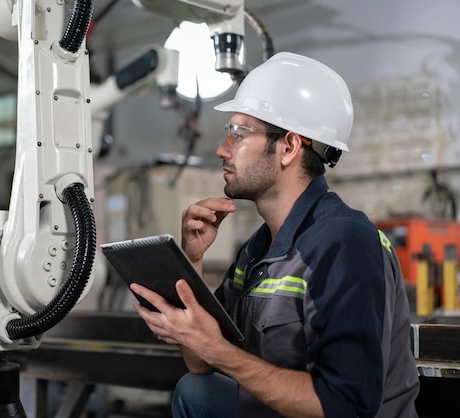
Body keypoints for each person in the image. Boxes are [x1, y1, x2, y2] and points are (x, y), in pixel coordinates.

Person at [130, 51, 420, 418]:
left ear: (288, 147)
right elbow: (199, 365)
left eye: (238, 135)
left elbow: (347, 405)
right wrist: (192, 263)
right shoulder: (259, 249)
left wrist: (217, 349)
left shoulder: (344, 243)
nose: (222, 150)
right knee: (196, 392)